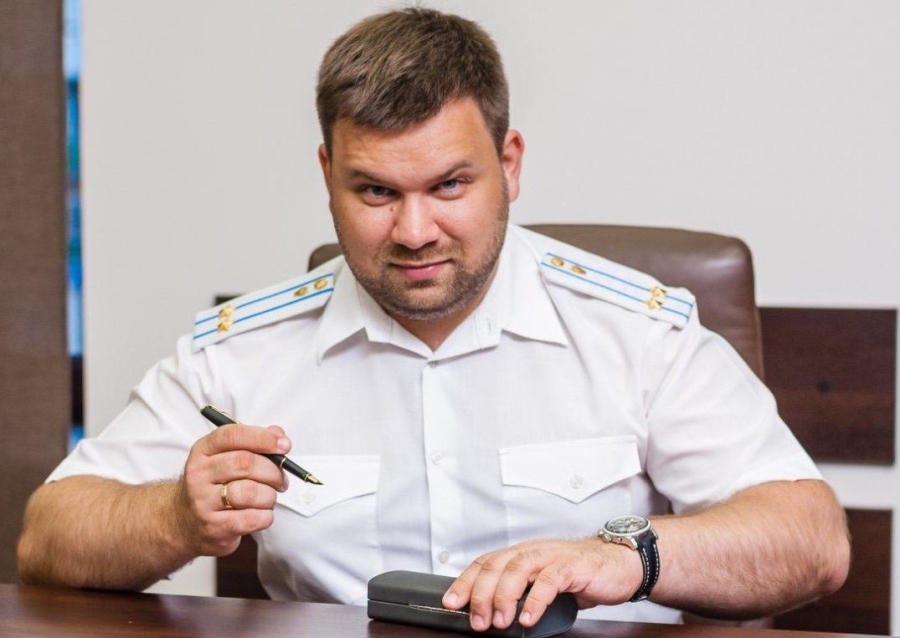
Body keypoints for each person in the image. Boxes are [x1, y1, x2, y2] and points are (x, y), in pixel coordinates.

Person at [18, 6, 849, 631]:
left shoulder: (636, 331)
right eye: (376, 191)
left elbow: (812, 541)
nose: (414, 231)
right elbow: (47, 538)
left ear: (509, 164)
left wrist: (626, 557)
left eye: (449, 185)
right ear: (328, 175)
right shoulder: (243, 349)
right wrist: (173, 516)